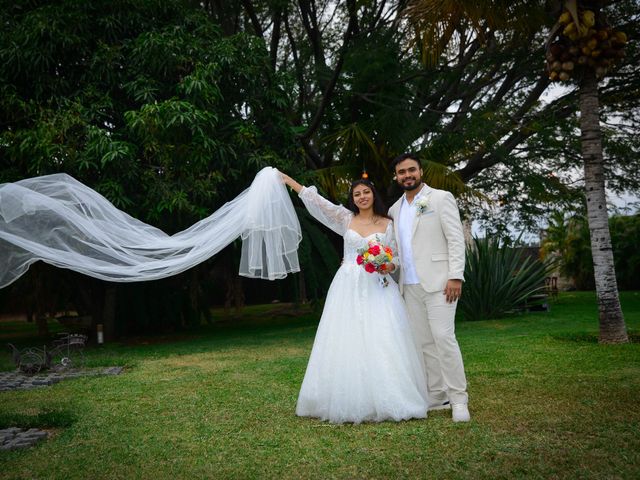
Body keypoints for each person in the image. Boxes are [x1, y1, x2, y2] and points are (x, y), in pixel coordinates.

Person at [281, 173, 429, 424]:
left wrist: (388, 266)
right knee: (345, 338)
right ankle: (345, 397)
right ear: (352, 198)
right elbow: (318, 202)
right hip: (348, 285)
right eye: (357, 194)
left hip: (378, 286)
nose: (362, 197)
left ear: (373, 195)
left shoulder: (387, 223)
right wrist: (288, 181)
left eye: (366, 192)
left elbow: (396, 257)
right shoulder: (345, 218)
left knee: (383, 337)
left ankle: (391, 395)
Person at [388, 153, 470, 423]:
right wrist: (385, 263)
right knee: (423, 344)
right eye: (402, 172)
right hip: (409, 285)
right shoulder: (394, 210)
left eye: (411, 170)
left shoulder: (440, 198)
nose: (407, 175)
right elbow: (399, 250)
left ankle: (459, 400)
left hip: (440, 282)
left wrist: (455, 276)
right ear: (396, 176)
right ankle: (437, 396)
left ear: (421, 171)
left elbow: (456, 240)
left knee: (444, 338)